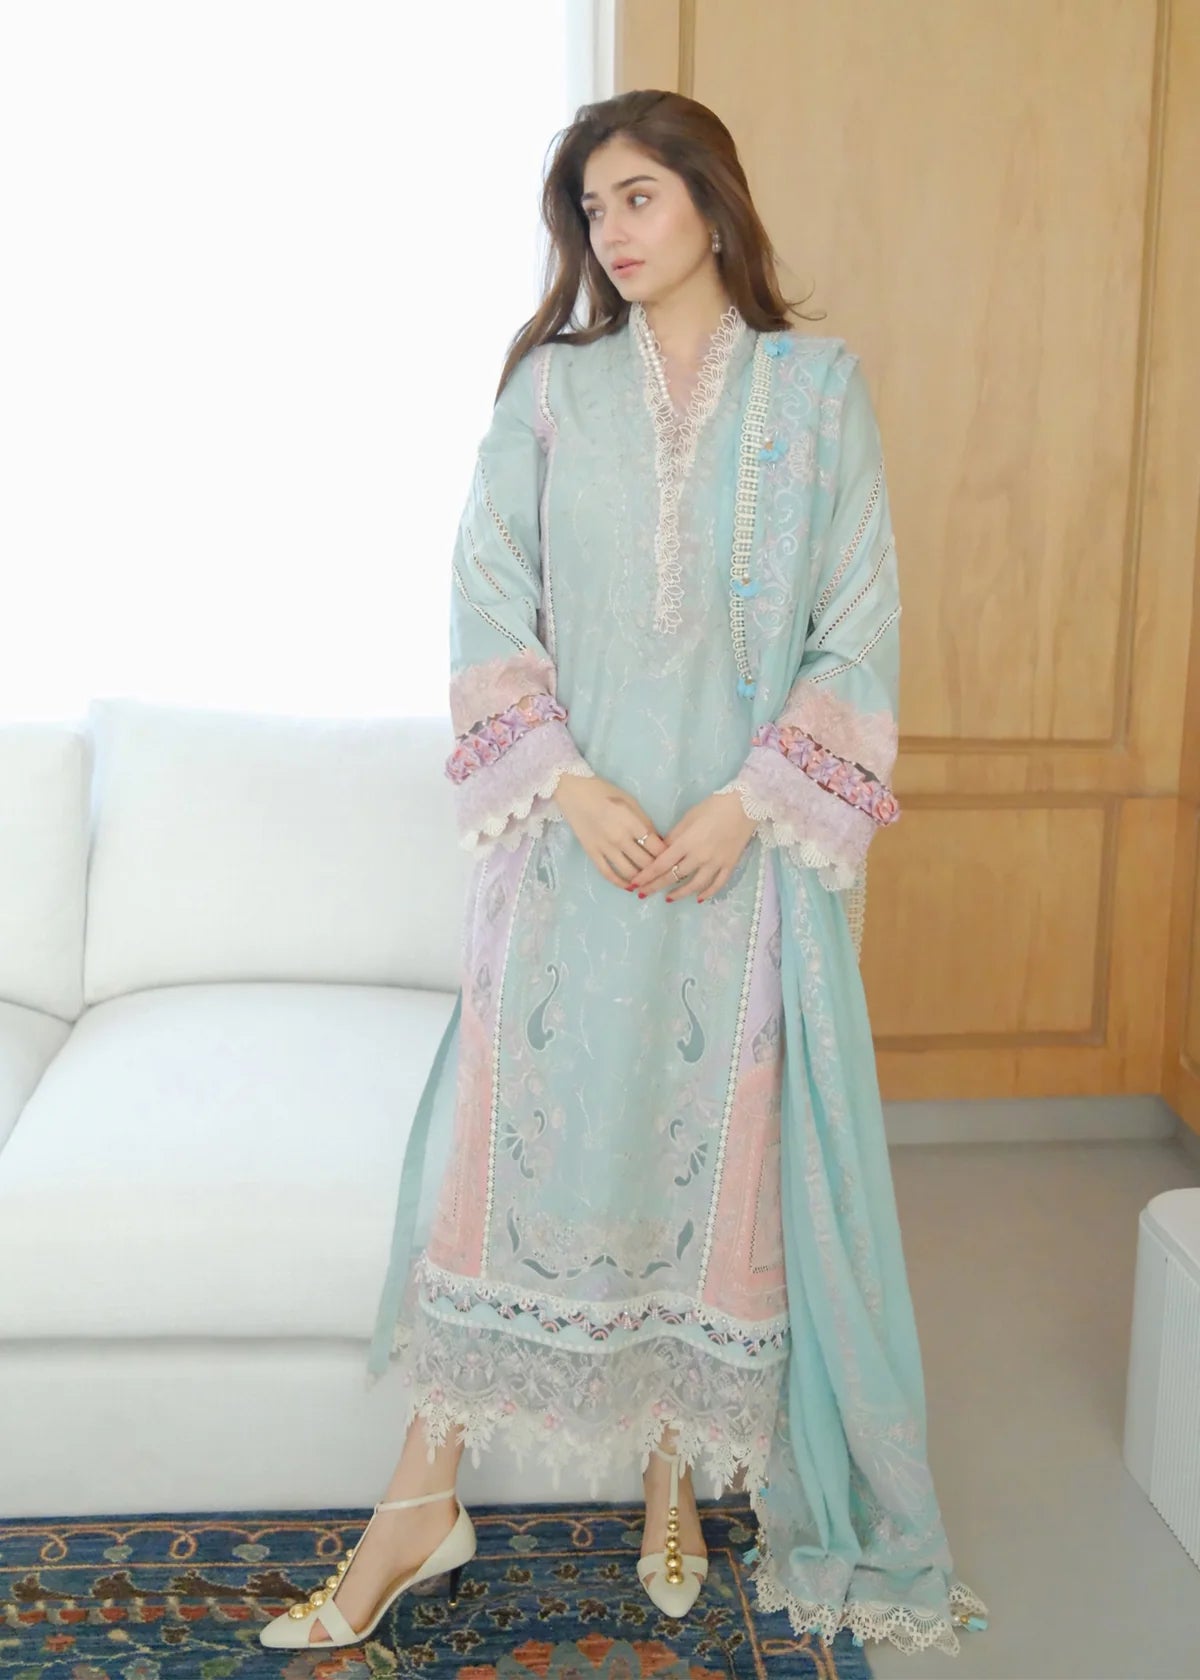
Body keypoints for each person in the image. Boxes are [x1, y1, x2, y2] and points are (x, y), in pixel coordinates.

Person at [260, 87, 989, 1657]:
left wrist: (750, 804)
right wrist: (571, 788)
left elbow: (856, 623)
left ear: (713, 205)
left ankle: (677, 1470)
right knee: (510, 1165)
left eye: (639, 197)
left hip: (738, 866)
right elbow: (485, 597)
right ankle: (421, 1501)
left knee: (704, 1154)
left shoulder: (816, 394)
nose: (611, 232)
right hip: (568, 855)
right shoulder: (552, 392)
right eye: (593, 210)